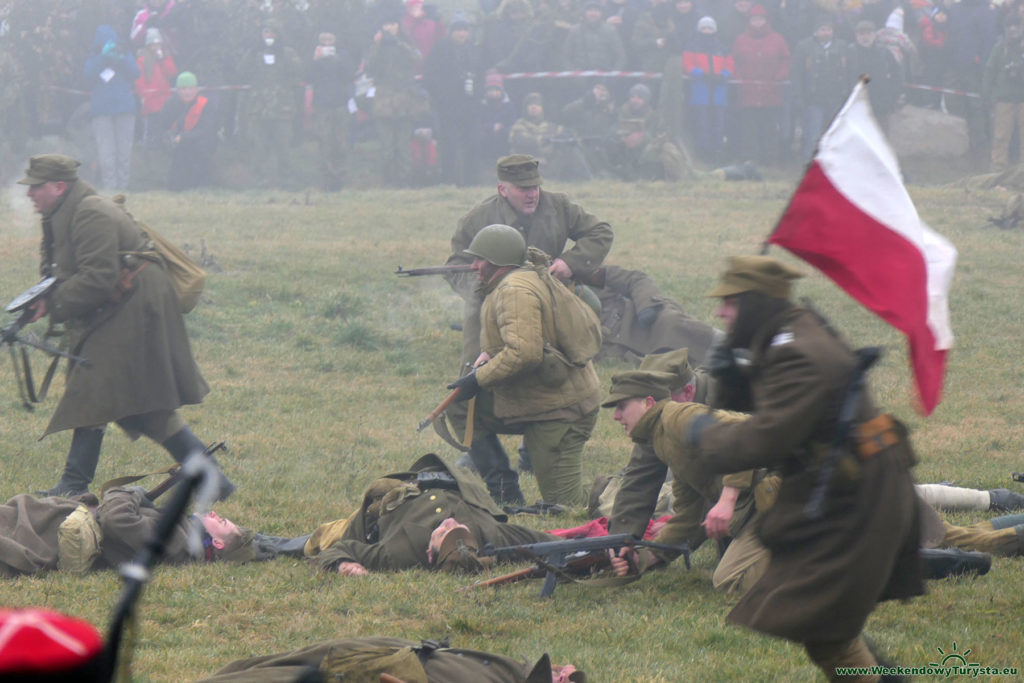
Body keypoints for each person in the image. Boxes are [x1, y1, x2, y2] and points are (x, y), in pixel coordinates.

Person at [688, 255, 923, 679]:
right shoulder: (789, 333)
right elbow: (784, 403)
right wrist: (736, 378)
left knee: (824, 627)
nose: (721, 311)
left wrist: (705, 434)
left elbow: (767, 437)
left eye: (731, 302)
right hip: (847, 487)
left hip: (860, 495)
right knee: (824, 624)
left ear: (757, 304)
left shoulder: (797, 352)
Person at [18, 154, 234, 501]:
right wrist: (43, 299)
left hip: (136, 307)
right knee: (138, 402)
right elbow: (64, 271)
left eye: (36, 187)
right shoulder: (59, 213)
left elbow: (98, 278)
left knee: (99, 386)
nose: (29, 194)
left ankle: (74, 483)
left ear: (59, 187)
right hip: (118, 305)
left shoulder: (89, 213)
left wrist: (55, 304)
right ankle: (212, 480)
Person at [443, 158, 613, 499]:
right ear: (502, 189)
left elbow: (600, 232)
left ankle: (534, 448)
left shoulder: (559, 205)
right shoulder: (479, 218)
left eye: (535, 186)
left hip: (550, 306)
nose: (532, 194)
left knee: (545, 378)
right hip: (490, 311)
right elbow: (456, 267)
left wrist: (570, 264)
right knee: (468, 397)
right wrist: (484, 291)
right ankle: (499, 479)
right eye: (523, 189)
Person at [304, 453, 556, 574]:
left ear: (429, 552)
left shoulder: (398, 554)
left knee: (322, 537)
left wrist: (346, 565)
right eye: (459, 528)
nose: (450, 522)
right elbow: (547, 543)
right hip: (449, 476)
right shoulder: (490, 536)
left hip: (390, 500)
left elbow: (340, 550)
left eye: (443, 532)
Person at [0, 486, 304, 577]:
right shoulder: (182, 535)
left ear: (219, 545)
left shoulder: (176, 538)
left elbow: (118, 520)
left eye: (221, 522)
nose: (214, 513)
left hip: (40, 533)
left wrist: (130, 492)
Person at [196, 635, 584, 682]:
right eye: (570, 672)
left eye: (569, 680)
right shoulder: (514, 669)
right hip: (401, 648)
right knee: (262, 663)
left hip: (396, 670)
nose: (567, 673)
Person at [586, 265, 718, 364]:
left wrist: (646, 306)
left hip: (640, 318)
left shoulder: (583, 273)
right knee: (672, 361)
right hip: (614, 346)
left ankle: (731, 344)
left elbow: (636, 279)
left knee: (672, 324)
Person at [731, 5, 790, 166]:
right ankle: (750, 159)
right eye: (754, 19)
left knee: (769, 127)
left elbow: (785, 59)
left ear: (766, 20)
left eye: (760, 19)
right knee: (748, 128)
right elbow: (733, 60)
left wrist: (780, 75)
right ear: (749, 21)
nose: (757, 22)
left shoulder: (777, 39)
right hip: (748, 92)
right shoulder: (741, 39)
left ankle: (770, 159)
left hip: (771, 92)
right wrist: (738, 75)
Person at [83, 25, 140, 190]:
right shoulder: (94, 58)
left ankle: (123, 189)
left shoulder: (124, 53)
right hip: (101, 113)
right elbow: (87, 75)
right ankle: (110, 190)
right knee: (106, 154)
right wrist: (103, 58)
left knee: (124, 153)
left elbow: (135, 73)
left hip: (125, 111)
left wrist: (120, 58)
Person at [791, 17, 853, 162]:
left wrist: (847, 92)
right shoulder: (804, 47)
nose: (826, 33)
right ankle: (810, 165)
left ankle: (833, 164)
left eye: (829, 29)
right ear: (816, 31)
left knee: (834, 134)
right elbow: (796, 73)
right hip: (813, 98)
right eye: (823, 29)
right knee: (812, 135)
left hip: (836, 97)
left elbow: (850, 71)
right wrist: (799, 95)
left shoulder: (843, 47)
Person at [306, 31, 356, 191]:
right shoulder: (315, 57)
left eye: (330, 40)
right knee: (325, 142)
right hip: (322, 106)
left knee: (341, 143)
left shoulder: (343, 56)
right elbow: (307, 77)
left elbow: (349, 75)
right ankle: (327, 178)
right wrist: (315, 60)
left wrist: (338, 60)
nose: (327, 43)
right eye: (324, 40)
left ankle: (340, 177)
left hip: (340, 104)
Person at [160, 71, 218, 191]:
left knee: (200, 153)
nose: (187, 92)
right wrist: (168, 136)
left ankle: (203, 185)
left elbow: (206, 129)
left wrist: (183, 137)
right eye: (183, 89)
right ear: (177, 90)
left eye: (191, 88)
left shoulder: (205, 104)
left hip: (200, 143)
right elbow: (163, 126)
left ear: (197, 89)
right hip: (178, 144)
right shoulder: (170, 104)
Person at [983, 19, 1024, 173]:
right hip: (1003, 100)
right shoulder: (999, 48)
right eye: (1010, 25)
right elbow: (989, 72)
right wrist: (987, 96)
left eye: (1016, 25)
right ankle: (998, 171)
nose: (1013, 29)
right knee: (1000, 137)